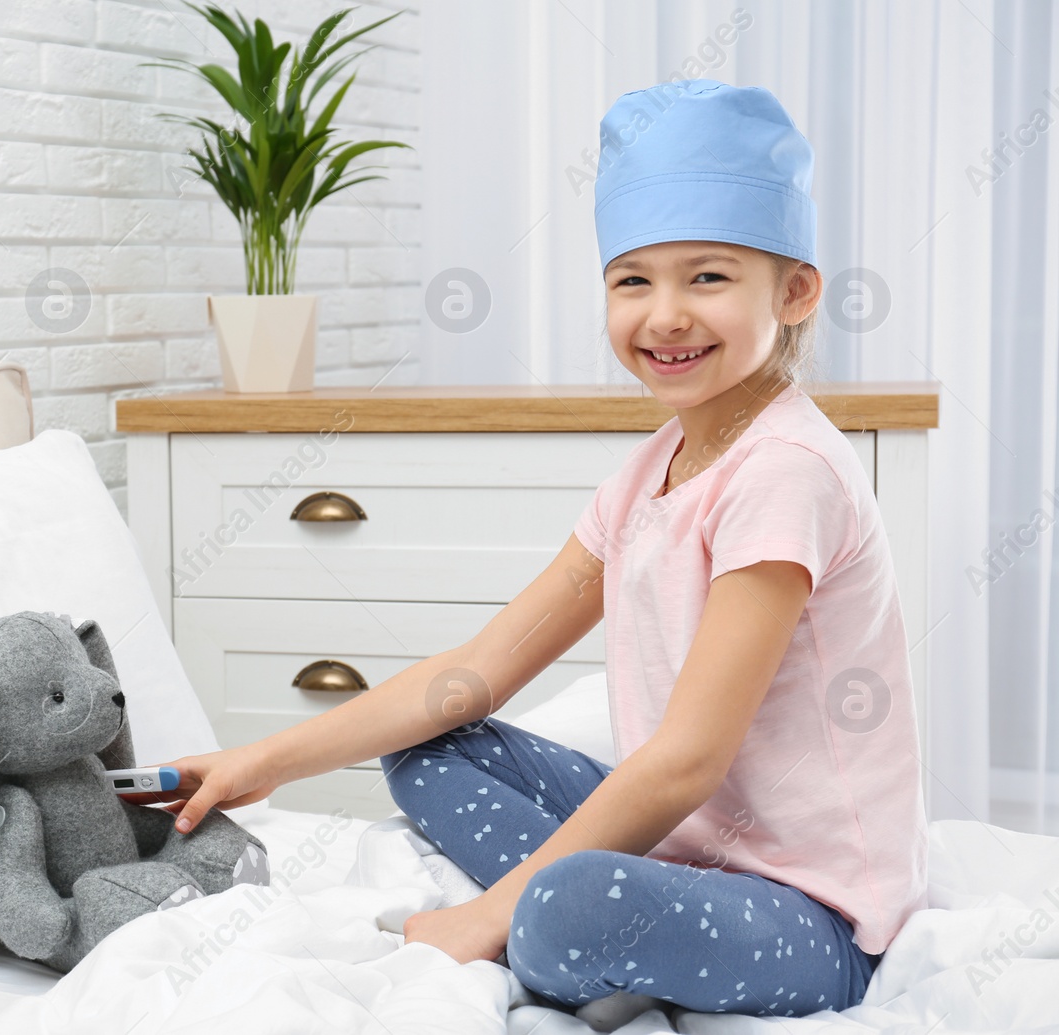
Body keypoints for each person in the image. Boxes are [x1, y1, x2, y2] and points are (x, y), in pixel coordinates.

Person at [122, 79, 929, 1020]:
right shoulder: (651, 471)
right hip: (680, 847)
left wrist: (490, 915)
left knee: (562, 908)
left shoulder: (785, 472)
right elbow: (475, 671)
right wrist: (258, 762)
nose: (664, 314)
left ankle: (570, 921)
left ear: (794, 292)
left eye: (707, 276)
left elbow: (685, 763)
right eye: (634, 280)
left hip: (809, 913)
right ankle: (595, 924)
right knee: (432, 747)